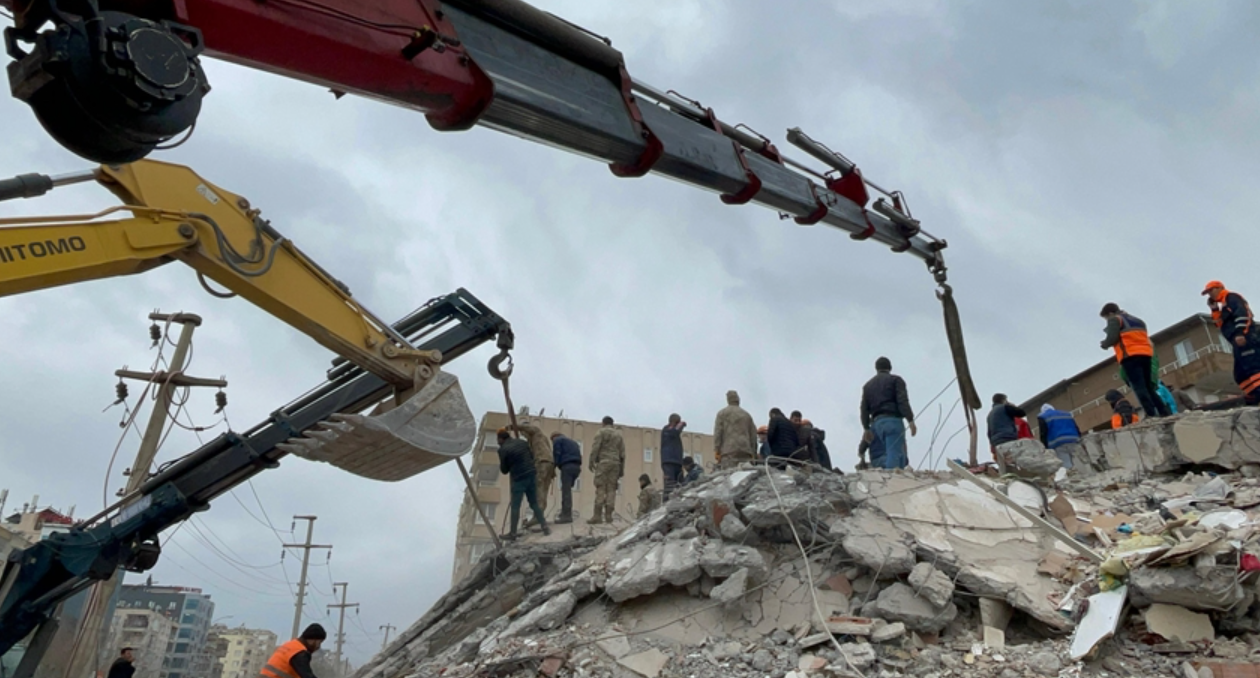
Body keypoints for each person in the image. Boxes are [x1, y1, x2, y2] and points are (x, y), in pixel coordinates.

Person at [1100, 303, 1172, 418]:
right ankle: (1164, 411)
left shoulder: (1115, 319)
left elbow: (1112, 338)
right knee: (1148, 387)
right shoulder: (1138, 321)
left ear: (1110, 313)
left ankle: (1151, 414)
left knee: (1139, 387)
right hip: (1146, 355)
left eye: (1106, 318)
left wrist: (1104, 344)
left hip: (1130, 356)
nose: (1107, 320)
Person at [1203, 281, 1260, 405]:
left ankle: (1257, 393)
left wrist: (1240, 333)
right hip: (1236, 341)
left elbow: (1243, 314)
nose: (1210, 295)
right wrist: (1214, 309)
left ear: (1219, 288)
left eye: (1211, 290)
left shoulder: (1231, 297)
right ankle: (1253, 395)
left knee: (1253, 367)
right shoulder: (1223, 305)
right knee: (1240, 373)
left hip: (1245, 337)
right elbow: (1219, 324)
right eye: (1208, 293)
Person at [860, 357, 917, 469]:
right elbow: (902, 401)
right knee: (896, 456)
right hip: (893, 421)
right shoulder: (896, 380)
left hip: (876, 424)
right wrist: (910, 419)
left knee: (886, 455)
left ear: (876, 368)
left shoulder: (867, 386)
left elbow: (864, 409)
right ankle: (893, 478)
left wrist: (866, 428)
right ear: (890, 367)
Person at [987, 394, 1061, 477]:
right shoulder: (1005, 408)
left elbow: (989, 432)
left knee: (1005, 467)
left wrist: (993, 446)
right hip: (1008, 438)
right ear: (1004, 400)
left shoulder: (990, 415)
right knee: (1019, 461)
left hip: (996, 443)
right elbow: (1021, 413)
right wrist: (1011, 406)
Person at [497, 428, 550, 538]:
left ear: (501, 439)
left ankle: (513, 533)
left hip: (519, 478)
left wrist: (508, 462)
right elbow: (531, 456)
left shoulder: (503, 450)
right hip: (531, 474)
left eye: (498, 440)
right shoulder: (522, 442)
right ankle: (544, 525)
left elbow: (504, 470)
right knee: (534, 503)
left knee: (515, 506)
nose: (497, 442)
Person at [515, 420, 556, 520]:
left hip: (542, 462)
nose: (524, 435)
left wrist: (512, 427)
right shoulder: (536, 441)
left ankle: (537, 516)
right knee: (543, 490)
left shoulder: (536, 433)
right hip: (548, 463)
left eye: (523, 433)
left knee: (538, 489)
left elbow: (528, 428)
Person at [588, 416, 625, 525]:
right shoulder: (619, 435)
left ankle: (597, 516)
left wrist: (591, 461)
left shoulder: (601, 432)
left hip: (604, 462)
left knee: (601, 487)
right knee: (611, 488)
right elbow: (623, 454)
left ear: (603, 423)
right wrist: (621, 470)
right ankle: (609, 516)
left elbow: (595, 447)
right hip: (615, 464)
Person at [261, 624, 327, 678]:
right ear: (312, 640)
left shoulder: (291, 645)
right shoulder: (300, 653)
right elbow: (307, 675)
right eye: (319, 642)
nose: (318, 647)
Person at [713, 390, 758, 469]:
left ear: (728, 400)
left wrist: (717, 450)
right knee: (746, 474)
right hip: (745, 451)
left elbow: (718, 433)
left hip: (728, 451)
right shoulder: (747, 415)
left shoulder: (722, 414)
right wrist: (753, 453)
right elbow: (753, 436)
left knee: (729, 474)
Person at [1037, 403, 1082, 469]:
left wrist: (1045, 447)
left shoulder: (1043, 417)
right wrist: (1080, 437)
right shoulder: (1067, 414)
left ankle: (1071, 473)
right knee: (1078, 462)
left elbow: (1043, 433)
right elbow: (1076, 427)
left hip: (1058, 443)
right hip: (1073, 439)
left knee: (1066, 464)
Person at [550, 431, 582, 524]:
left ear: (554, 437)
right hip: (576, 468)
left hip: (567, 466)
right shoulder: (573, 442)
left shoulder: (558, 440)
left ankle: (566, 515)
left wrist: (553, 467)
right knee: (567, 490)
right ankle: (565, 512)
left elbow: (557, 454)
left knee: (566, 491)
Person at [660, 414, 686, 501]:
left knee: (681, 485)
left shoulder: (673, 432)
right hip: (669, 462)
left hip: (677, 462)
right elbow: (675, 431)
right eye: (677, 422)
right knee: (669, 485)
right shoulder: (667, 430)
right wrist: (681, 424)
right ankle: (666, 503)